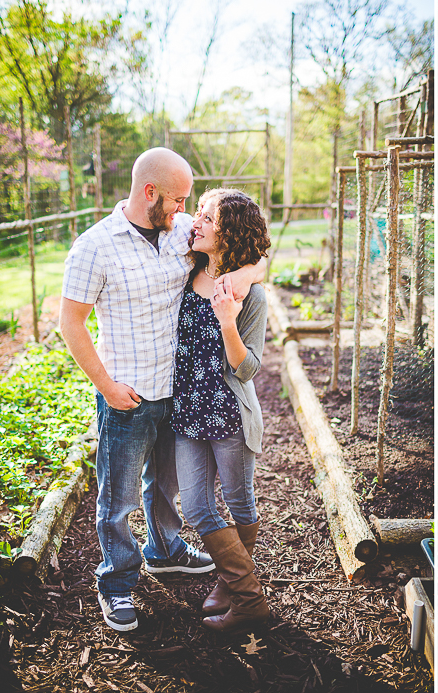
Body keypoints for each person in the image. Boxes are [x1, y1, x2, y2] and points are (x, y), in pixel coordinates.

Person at [60, 148, 265, 632]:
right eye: (178, 200)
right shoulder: (95, 246)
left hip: (178, 397)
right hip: (127, 397)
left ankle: (166, 551)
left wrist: (245, 275)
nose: (186, 212)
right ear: (150, 192)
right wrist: (106, 387)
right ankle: (116, 583)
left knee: (164, 488)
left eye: (192, 205)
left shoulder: (181, 233)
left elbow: (248, 251)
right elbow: (71, 324)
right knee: (118, 500)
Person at [172, 188, 271, 633]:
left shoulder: (250, 295)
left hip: (229, 413)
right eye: (197, 213)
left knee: (238, 502)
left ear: (229, 231)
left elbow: (247, 369)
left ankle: (236, 590)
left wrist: (228, 321)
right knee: (196, 506)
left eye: (207, 217)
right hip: (187, 411)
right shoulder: (186, 271)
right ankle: (246, 593)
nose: (196, 221)